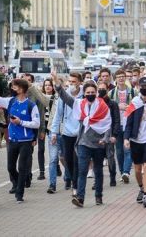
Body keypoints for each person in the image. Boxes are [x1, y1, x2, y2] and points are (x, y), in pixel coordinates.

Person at [52, 73, 112, 208]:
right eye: (88, 92)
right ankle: (80, 198)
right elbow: (65, 97)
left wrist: (105, 139)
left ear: (96, 93)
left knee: (98, 171)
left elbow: (108, 124)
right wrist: (57, 83)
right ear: (84, 93)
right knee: (82, 171)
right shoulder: (79, 104)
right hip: (83, 143)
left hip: (98, 143)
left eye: (92, 92)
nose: (90, 94)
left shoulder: (103, 106)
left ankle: (98, 195)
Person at [0, 79, 40, 203]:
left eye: (14, 87)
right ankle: (17, 183)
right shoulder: (10, 101)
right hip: (12, 140)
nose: (12, 88)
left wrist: (20, 122)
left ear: (21, 89)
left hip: (25, 141)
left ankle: (19, 193)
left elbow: (36, 124)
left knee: (22, 168)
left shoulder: (31, 105)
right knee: (10, 167)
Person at [124, 77, 146, 208]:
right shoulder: (135, 102)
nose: (144, 88)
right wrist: (126, 138)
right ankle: (141, 188)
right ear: (138, 87)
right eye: (142, 86)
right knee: (137, 169)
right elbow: (128, 122)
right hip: (136, 139)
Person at [50, 72, 83, 196]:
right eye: (70, 82)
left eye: (74, 82)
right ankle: (74, 180)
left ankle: (76, 186)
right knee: (67, 160)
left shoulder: (84, 95)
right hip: (67, 133)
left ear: (80, 82)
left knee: (76, 159)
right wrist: (54, 132)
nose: (71, 84)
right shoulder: (63, 96)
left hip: (80, 133)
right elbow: (57, 115)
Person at [108, 69, 136, 183]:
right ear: (115, 79)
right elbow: (107, 108)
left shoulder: (133, 92)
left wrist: (128, 107)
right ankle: (122, 172)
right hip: (117, 124)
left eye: (122, 76)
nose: (121, 78)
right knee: (119, 151)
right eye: (118, 76)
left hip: (128, 124)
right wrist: (117, 106)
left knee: (128, 149)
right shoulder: (111, 93)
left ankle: (126, 172)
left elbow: (137, 106)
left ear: (125, 78)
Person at [98, 81, 121, 187]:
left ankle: (112, 177)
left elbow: (117, 120)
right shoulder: (95, 102)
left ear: (107, 90)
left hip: (109, 134)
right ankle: (97, 181)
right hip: (97, 135)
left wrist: (114, 135)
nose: (101, 91)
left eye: (103, 89)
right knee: (97, 159)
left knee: (110, 157)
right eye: (99, 89)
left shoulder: (112, 104)